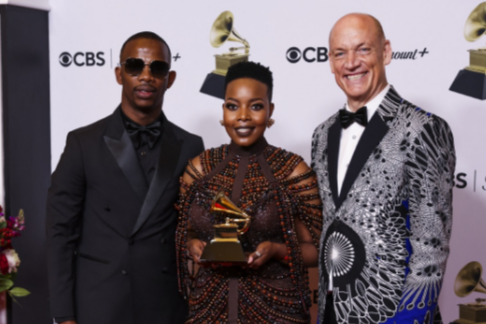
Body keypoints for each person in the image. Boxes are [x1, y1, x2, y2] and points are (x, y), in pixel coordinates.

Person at [46, 31, 204, 324]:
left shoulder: (191, 146)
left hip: (165, 302)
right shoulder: (83, 142)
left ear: (169, 79)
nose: (146, 76)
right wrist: (64, 314)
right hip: (100, 301)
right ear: (120, 74)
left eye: (157, 68)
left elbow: (195, 225)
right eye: (135, 66)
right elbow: (60, 233)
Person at [311, 13, 455, 324]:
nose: (351, 63)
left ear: (385, 52)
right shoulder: (321, 135)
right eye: (340, 53)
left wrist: (407, 318)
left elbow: (430, 249)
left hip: (394, 313)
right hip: (332, 310)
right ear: (331, 62)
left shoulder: (423, 128)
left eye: (363, 49)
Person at [175, 61, 323, 324]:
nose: (243, 115)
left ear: (270, 110)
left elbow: (318, 249)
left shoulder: (291, 171)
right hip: (207, 311)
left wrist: (278, 250)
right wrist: (191, 246)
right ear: (223, 111)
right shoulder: (198, 170)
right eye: (233, 106)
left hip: (277, 312)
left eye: (255, 106)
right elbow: (186, 233)